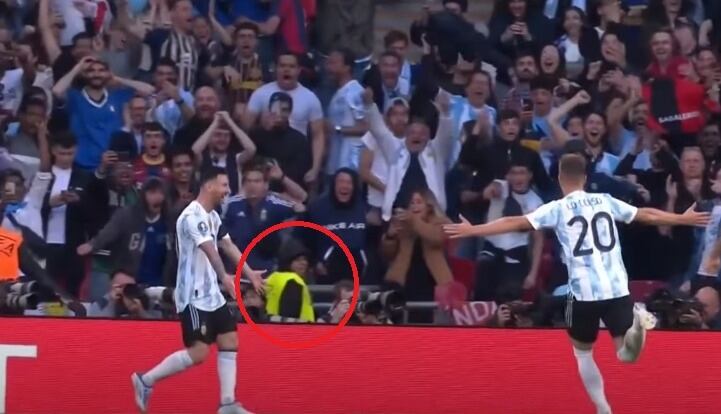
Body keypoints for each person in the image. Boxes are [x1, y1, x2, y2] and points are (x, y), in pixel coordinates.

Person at [444, 153, 710, 414]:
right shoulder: (605, 201)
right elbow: (645, 215)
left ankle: (602, 407)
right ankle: (637, 326)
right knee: (627, 355)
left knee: (583, 354)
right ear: (584, 178)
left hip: (582, 294)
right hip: (616, 289)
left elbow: (516, 222)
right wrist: (680, 218)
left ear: (561, 178)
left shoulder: (557, 208)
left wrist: (474, 230)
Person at [130, 167, 265, 414]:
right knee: (199, 352)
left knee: (230, 340)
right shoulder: (191, 215)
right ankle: (145, 380)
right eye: (224, 185)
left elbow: (227, 245)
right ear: (210, 186)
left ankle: (227, 404)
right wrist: (224, 275)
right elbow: (209, 249)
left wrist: (249, 272)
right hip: (193, 296)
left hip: (211, 294)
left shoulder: (212, 216)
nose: (228, 191)